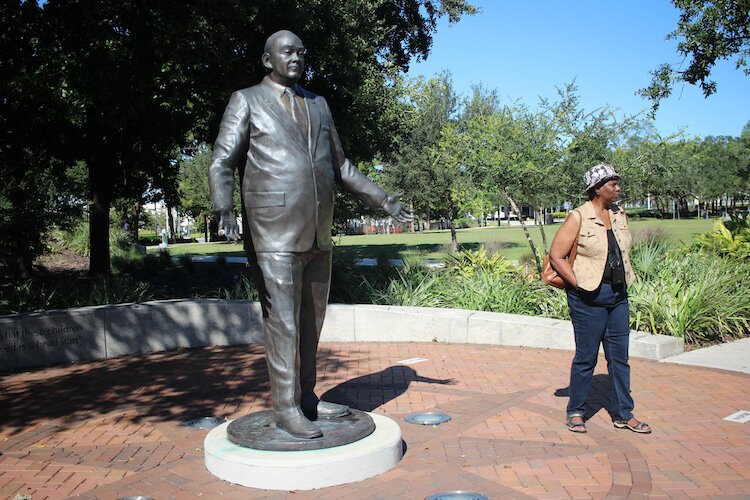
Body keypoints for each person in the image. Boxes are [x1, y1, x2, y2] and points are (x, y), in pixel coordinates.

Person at [208, 30, 412, 439]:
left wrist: (385, 201)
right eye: (288, 52)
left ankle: (306, 398)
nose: (297, 57)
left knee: (311, 322)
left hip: (318, 231)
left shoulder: (319, 104)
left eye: (302, 51)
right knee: (282, 323)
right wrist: (224, 208)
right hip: (272, 231)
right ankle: (284, 408)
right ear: (268, 60)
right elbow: (221, 162)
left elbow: (343, 166)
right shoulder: (246, 100)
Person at [548, 163, 651, 434]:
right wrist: (577, 284)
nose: (618, 188)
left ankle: (623, 414)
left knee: (620, 358)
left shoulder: (619, 214)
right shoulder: (578, 217)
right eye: (612, 184)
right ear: (597, 189)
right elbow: (556, 256)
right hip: (587, 299)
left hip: (618, 296)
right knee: (586, 357)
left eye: (618, 183)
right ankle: (577, 411)